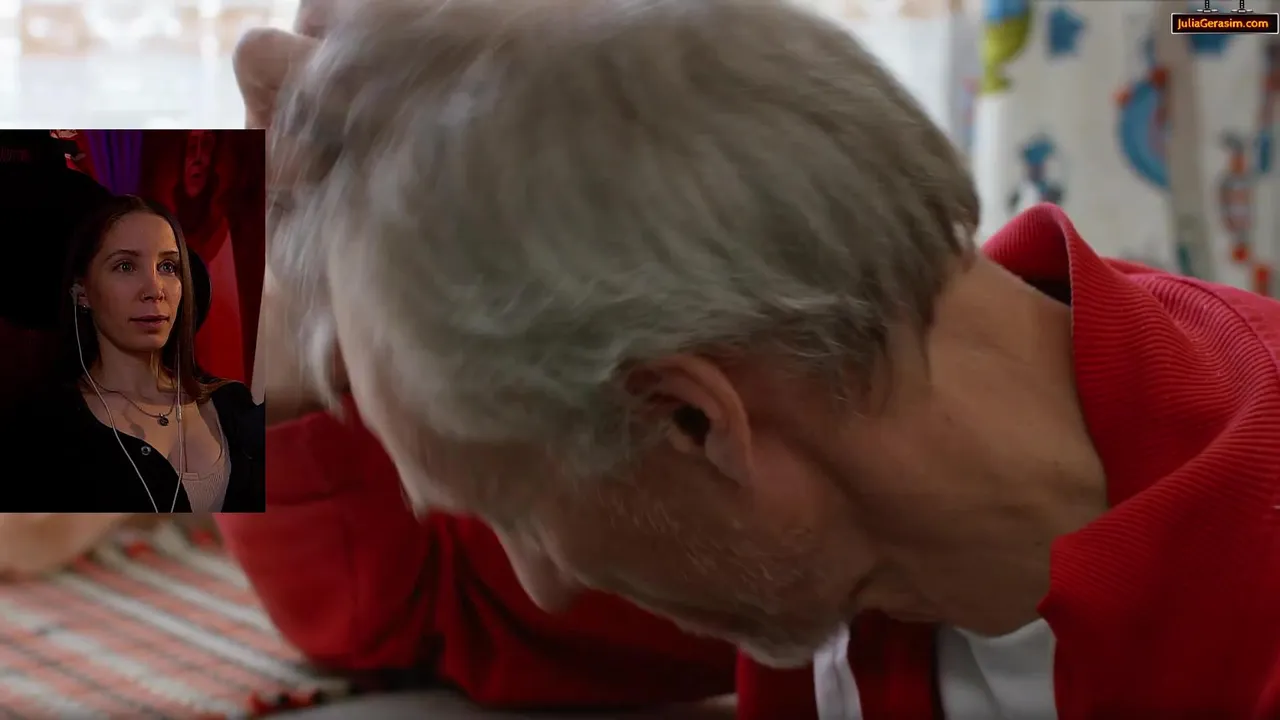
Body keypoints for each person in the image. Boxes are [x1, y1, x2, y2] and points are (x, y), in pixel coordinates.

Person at [225, 1, 1280, 719]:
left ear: (692, 421)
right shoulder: (843, 485)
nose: (543, 584)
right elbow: (402, 610)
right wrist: (224, 321)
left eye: (518, 514)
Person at [0, 195, 265, 513]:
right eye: (125, 266)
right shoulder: (42, 430)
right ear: (82, 292)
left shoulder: (234, 405)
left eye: (167, 266)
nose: (154, 289)